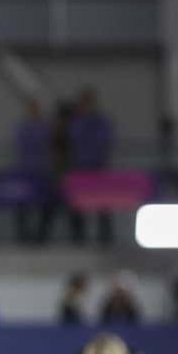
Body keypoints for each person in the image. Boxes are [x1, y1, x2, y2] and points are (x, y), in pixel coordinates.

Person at [68, 86, 114, 244]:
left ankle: (105, 238)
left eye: (88, 103)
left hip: (98, 168)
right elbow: (72, 140)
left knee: (103, 205)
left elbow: (105, 142)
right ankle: (78, 238)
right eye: (83, 103)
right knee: (77, 207)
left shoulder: (101, 122)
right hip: (80, 169)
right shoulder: (76, 122)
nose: (86, 106)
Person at [14, 96, 53, 244]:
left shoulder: (46, 128)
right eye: (31, 108)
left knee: (46, 204)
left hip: (42, 172)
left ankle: (41, 235)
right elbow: (20, 147)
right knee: (22, 205)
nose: (33, 111)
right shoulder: (23, 128)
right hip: (26, 173)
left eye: (36, 108)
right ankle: (24, 235)